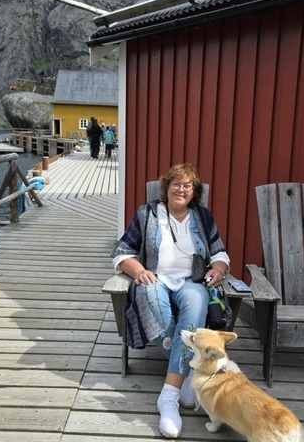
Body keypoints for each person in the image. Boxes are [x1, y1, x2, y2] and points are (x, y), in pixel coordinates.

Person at [111, 163, 230, 439]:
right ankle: (188, 376)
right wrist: (138, 271)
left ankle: (168, 397)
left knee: (196, 303)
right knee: (150, 297)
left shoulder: (202, 217)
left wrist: (218, 269)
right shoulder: (148, 214)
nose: (181, 189)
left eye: (187, 186)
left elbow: (219, 252)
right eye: (176, 184)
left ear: (194, 192)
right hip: (156, 278)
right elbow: (122, 251)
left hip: (192, 281)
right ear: (166, 188)